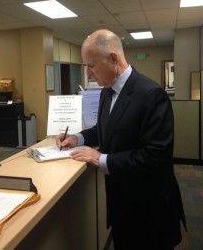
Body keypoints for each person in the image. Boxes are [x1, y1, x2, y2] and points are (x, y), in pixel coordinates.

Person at [56, 29, 186, 250]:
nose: (88, 74)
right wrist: (77, 138)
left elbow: (156, 156)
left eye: (91, 65)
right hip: (122, 206)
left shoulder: (151, 94)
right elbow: (105, 128)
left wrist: (102, 159)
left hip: (150, 211)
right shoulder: (107, 91)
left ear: (113, 58)